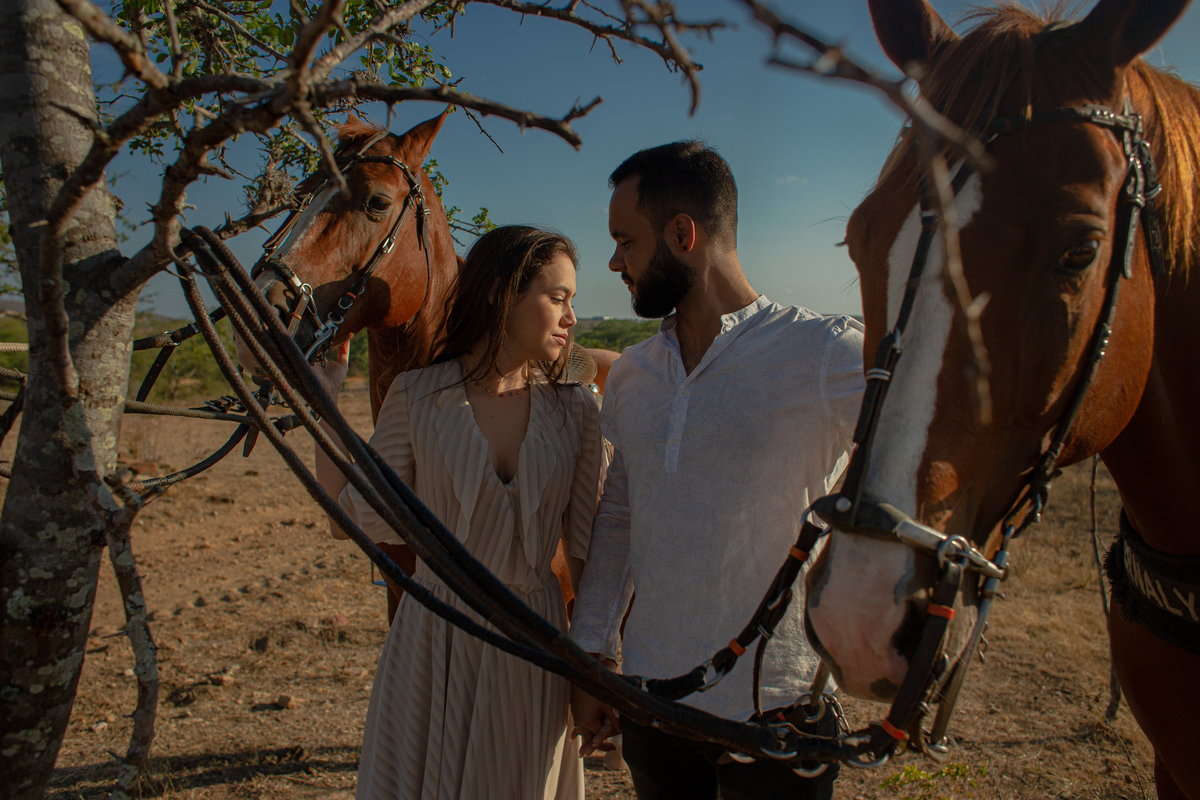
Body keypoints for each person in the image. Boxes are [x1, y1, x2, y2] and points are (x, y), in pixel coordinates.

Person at [568, 142, 865, 800]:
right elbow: (619, 513)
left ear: (682, 234)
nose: (614, 262)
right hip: (652, 708)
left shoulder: (825, 354)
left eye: (625, 241)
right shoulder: (636, 374)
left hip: (780, 719)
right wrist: (592, 654)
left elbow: (939, 427)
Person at [313, 225, 607, 800]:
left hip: (536, 646)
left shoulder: (576, 412)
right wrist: (323, 403)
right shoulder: (416, 396)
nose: (572, 316)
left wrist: (592, 672)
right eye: (559, 298)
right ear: (501, 292)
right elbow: (352, 516)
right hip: (432, 643)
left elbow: (585, 554)